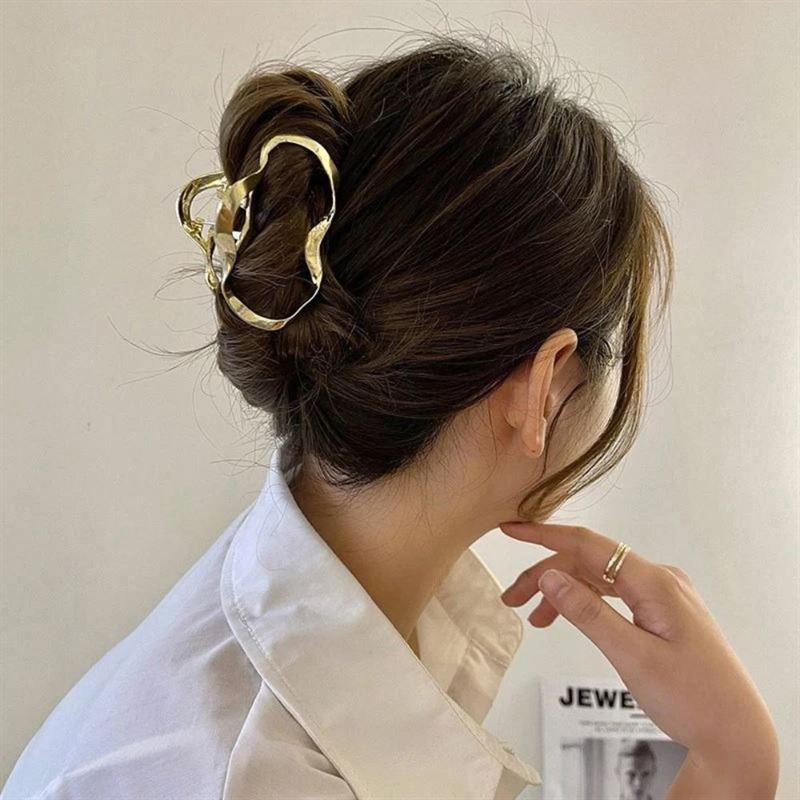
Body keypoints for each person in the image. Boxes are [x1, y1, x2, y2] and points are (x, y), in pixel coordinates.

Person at [2, 32, 779, 800]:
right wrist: (734, 760)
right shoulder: (246, 776)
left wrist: (730, 757)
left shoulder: (341, 622)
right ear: (543, 385)